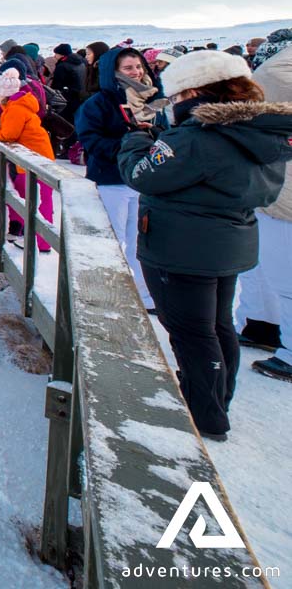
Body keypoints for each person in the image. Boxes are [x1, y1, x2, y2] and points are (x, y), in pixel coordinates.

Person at [118, 51, 292, 438]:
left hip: (181, 248)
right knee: (217, 326)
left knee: (191, 333)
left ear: (194, 91)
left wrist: (136, 137)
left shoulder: (196, 139)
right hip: (227, 243)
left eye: (177, 96)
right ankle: (217, 401)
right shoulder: (258, 131)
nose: (175, 103)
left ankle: (202, 416)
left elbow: (142, 174)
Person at [74, 46, 156, 308]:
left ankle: (144, 295)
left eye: (139, 66)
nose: (137, 72)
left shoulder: (151, 99)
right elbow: (90, 139)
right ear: (114, 72)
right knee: (112, 240)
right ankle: (103, 294)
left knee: (139, 242)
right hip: (111, 179)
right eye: (129, 68)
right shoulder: (97, 103)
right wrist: (128, 145)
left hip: (143, 179)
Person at [246, 41, 292, 382]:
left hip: (281, 192)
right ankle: (262, 324)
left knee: (283, 277)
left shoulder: (276, 75)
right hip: (275, 190)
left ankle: (288, 351)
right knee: (266, 271)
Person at [0, 68, 56, 250]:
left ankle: (40, 242)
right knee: (30, 198)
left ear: (2, 95)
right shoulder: (16, 106)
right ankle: (36, 240)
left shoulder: (15, 109)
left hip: (36, 160)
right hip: (35, 158)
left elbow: (9, 134)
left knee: (37, 200)